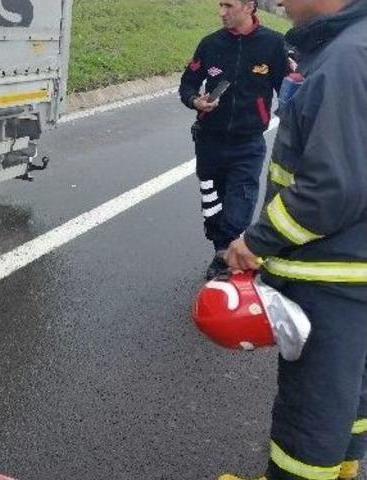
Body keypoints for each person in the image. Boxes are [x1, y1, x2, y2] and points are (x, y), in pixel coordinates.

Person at [223, 0, 367, 478]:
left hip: (330, 276)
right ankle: (345, 468)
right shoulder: (352, 45)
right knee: (350, 389)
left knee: (311, 411)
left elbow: (331, 188)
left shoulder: (346, 57)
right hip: (353, 270)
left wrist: (255, 241)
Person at [179, 0, 288, 280]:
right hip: (208, 142)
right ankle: (220, 251)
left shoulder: (274, 44)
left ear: (249, 6)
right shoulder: (210, 44)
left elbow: (288, 91)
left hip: (247, 144)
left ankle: (230, 255)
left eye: (228, 5)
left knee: (240, 202)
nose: (221, 12)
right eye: (220, 5)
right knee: (212, 202)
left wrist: (292, 123)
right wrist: (195, 100)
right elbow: (187, 83)